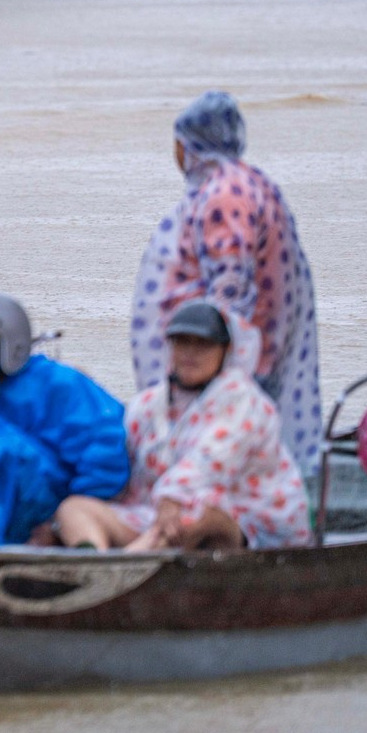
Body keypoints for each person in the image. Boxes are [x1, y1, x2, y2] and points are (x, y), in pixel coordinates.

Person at [131, 91, 324, 475]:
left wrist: (218, 369)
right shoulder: (251, 182)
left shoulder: (224, 195)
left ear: (190, 145)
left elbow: (231, 288)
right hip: (247, 356)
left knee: (219, 466)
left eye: (177, 144)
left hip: (229, 366)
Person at [57, 302, 312, 551]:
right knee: (72, 509)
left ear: (226, 350)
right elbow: (116, 454)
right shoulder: (149, 404)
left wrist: (172, 496)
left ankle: (125, 566)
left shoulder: (245, 401)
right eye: (182, 342)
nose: (191, 352)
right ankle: (94, 559)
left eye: (203, 344)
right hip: (157, 516)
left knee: (200, 506)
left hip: (251, 524)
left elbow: (211, 460)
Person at [0, 293, 129, 545]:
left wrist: (58, 525)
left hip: (37, 525)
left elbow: (104, 455)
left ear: (9, 342)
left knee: (2, 447)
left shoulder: (59, 386)